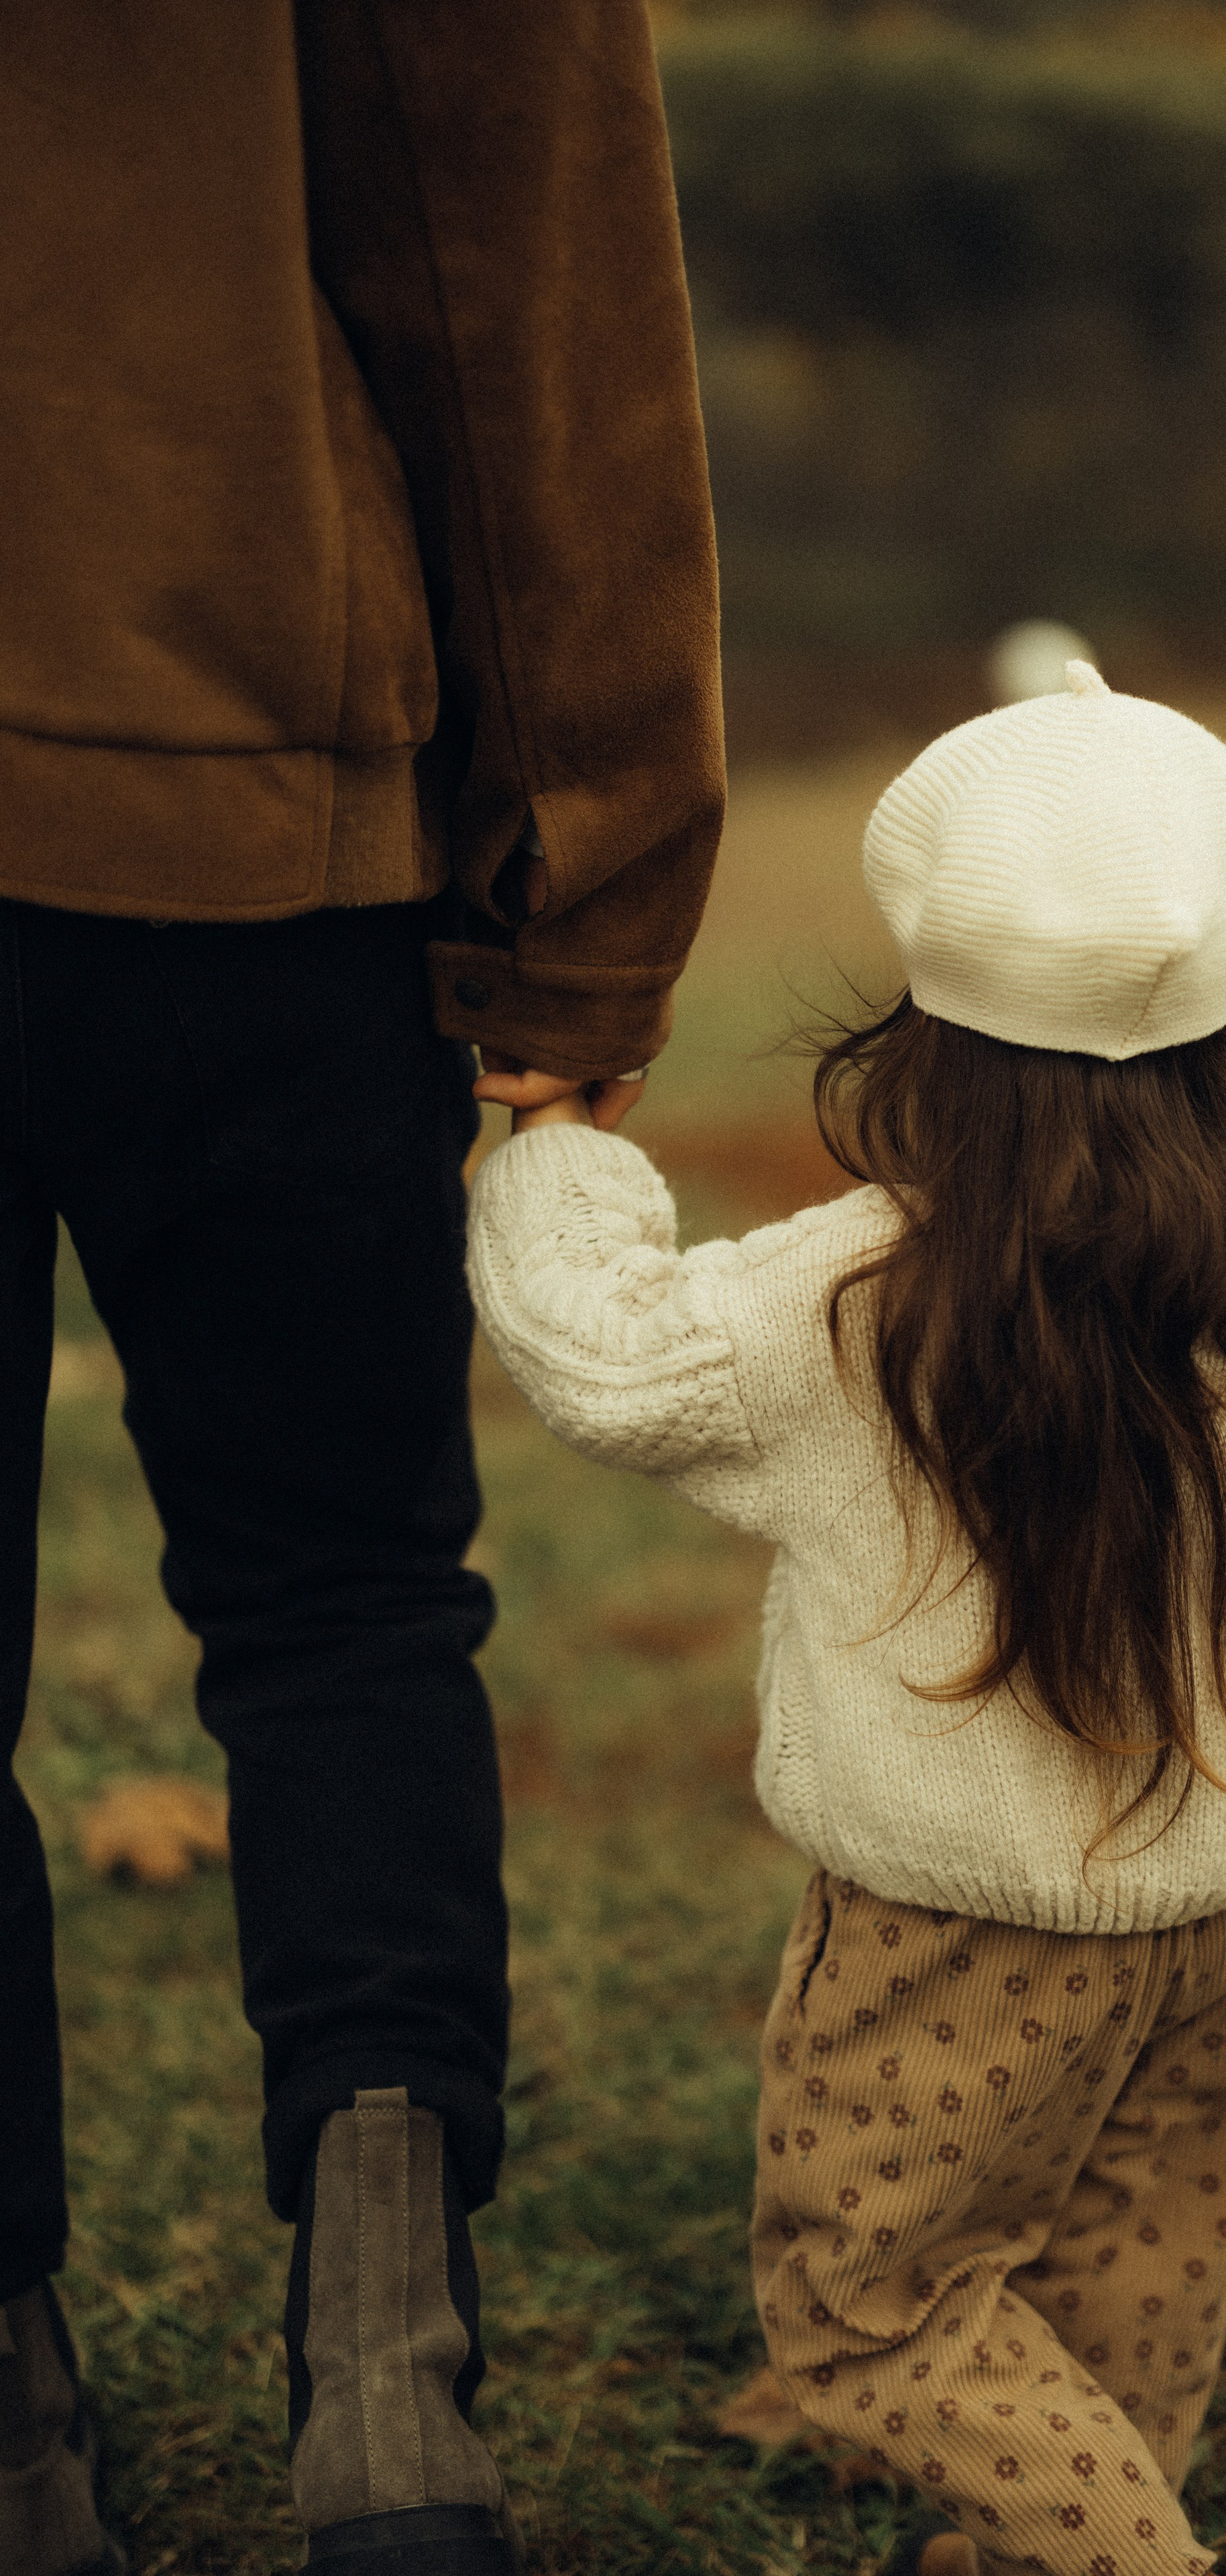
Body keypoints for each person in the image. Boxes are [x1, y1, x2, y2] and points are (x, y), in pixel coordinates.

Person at [463, 662, 1226, 2576]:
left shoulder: (873, 1301)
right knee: (1134, 2290)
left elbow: (611, 1361)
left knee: (874, 2316)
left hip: (952, 1949)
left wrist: (561, 1147)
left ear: (923, 1000)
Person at [0, 7, 723, 2573]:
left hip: (246, 776)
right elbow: (509, 228)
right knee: (339, 1611)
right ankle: (389, 2399)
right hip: (243, 777)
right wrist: (597, 880)